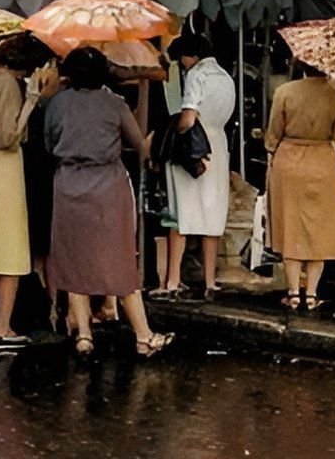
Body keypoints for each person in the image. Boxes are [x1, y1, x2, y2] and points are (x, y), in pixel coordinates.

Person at [45, 47, 174, 358]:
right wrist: (143, 90)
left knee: (74, 258)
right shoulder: (114, 103)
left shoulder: (56, 103)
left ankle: (84, 335)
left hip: (68, 185)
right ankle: (143, 336)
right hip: (107, 187)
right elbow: (139, 143)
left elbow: (49, 144)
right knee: (118, 260)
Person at [0, 37, 54, 346]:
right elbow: (6, 136)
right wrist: (30, 103)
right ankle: (4, 326)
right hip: (4, 168)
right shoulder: (8, 86)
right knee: (10, 253)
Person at [264, 61, 335, 310]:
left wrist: (271, 149)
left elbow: (273, 133)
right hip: (322, 161)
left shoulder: (285, 91)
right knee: (319, 229)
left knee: (290, 226)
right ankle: (311, 294)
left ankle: (292, 292)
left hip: (289, 160)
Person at [162, 34, 236, 298]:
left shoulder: (196, 75)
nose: (182, 65)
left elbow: (189, 118)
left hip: (194, 145)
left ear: (189, 56)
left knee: (182, 214)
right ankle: (209, 281)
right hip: (218, 143)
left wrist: (174, 127)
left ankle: (172, 281)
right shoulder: (226, 77)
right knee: (211, 214)